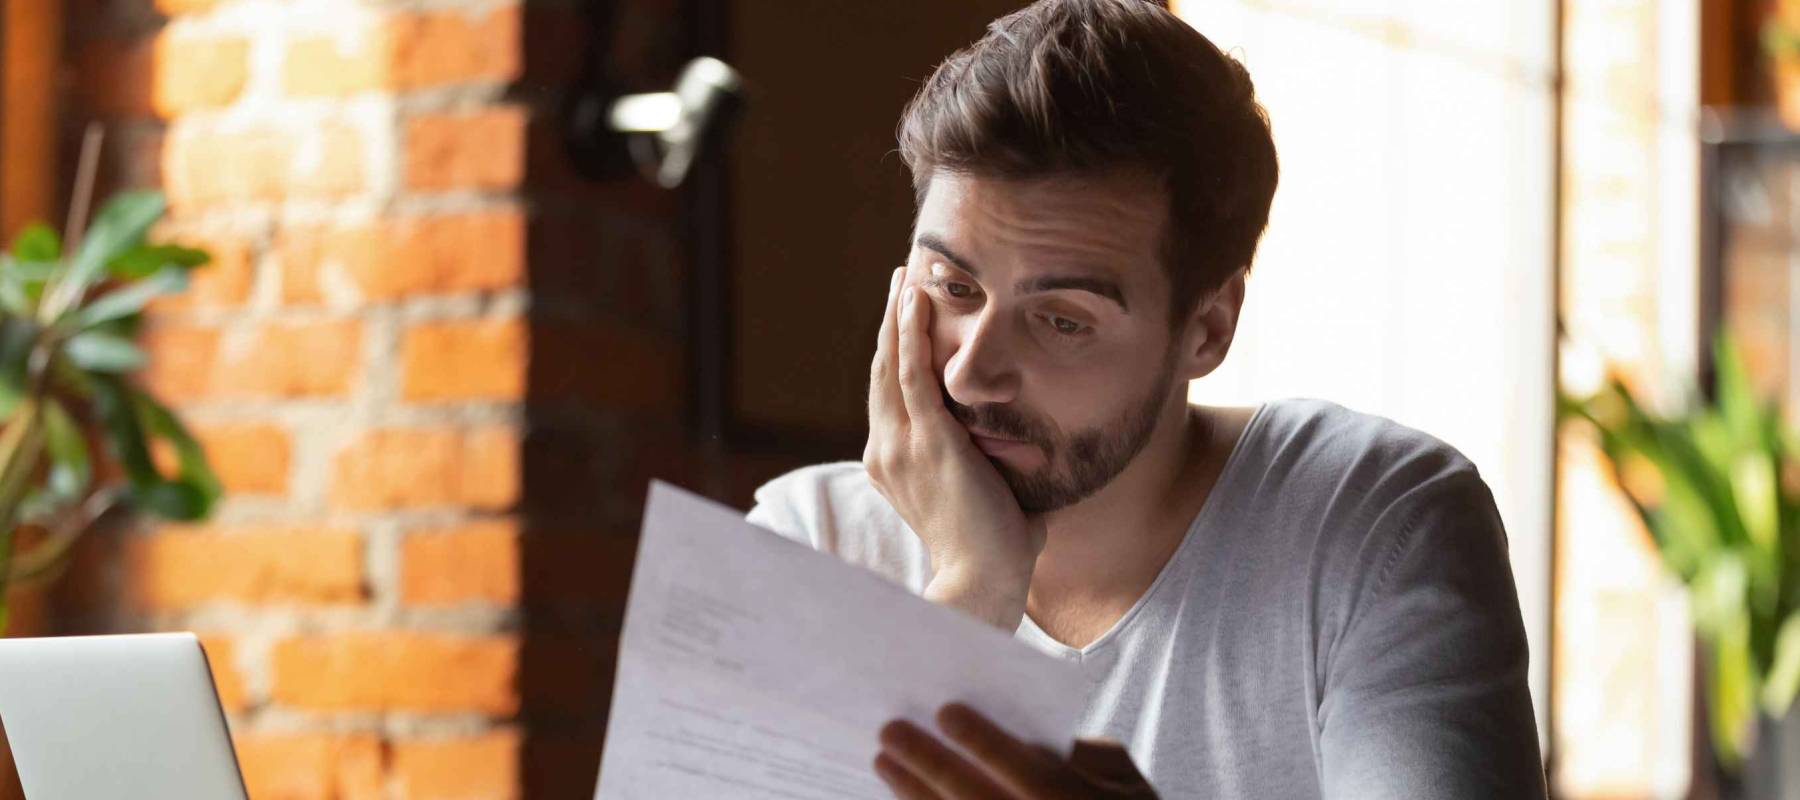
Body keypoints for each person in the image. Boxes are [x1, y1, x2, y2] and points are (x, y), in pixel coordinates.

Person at [744, 0, 1547, 796]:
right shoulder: (807, 542)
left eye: (1061, 320)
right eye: (952, 286)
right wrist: (972, 591)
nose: (968, 375)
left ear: (1207, 329)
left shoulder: (1376, 523)